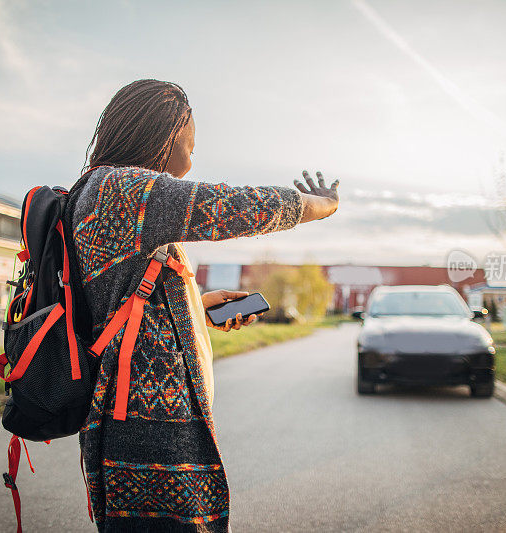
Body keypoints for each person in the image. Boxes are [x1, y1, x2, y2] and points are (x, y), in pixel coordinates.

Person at [69, 79, 338, 532]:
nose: (191, 160)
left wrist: (196, 306)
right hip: (146, 432)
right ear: (164, 136)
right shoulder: (127, 191)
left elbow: (122, 304)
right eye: (189, 145)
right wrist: (318, 207)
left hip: (133, 425)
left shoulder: (103, 193)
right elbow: (231, 206)